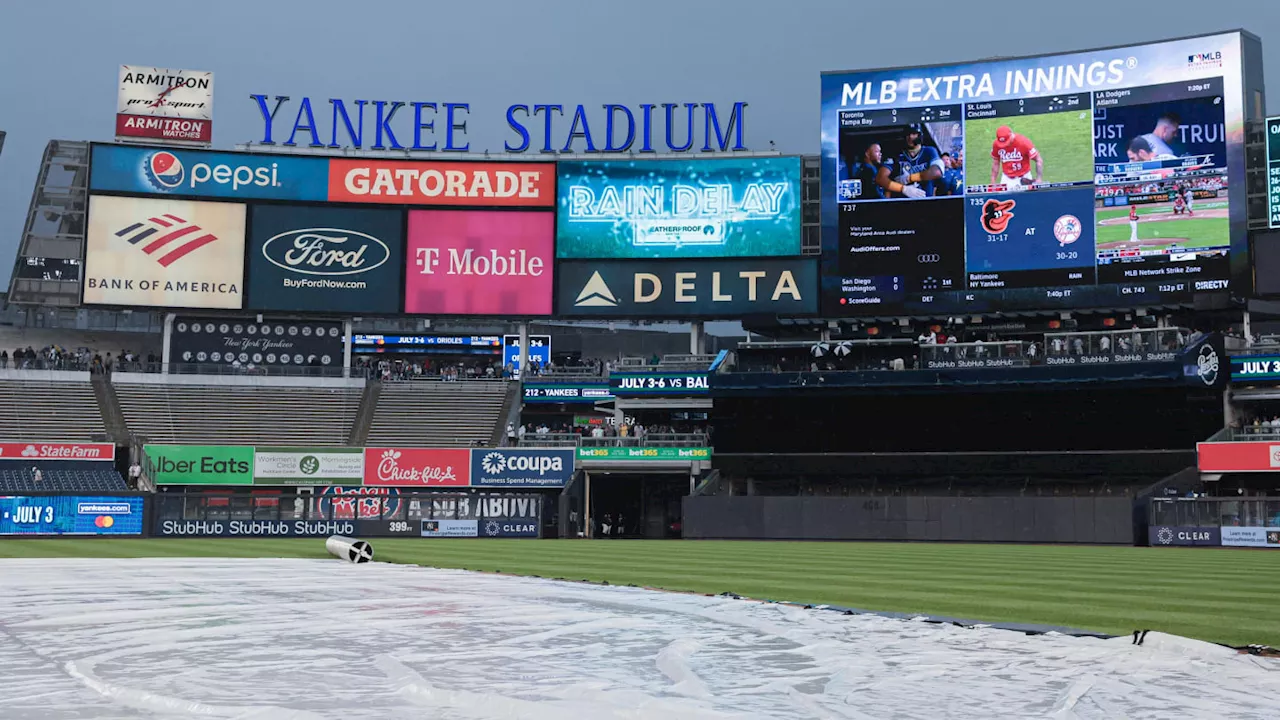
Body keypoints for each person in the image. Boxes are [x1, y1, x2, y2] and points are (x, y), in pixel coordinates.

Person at [879, 125, 942, 198]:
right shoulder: (896, 153)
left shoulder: (929, 151)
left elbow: (936, 172)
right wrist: (902, 188)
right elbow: (880, 178)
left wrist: (909, 178)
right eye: (907, 134)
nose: (910, 137)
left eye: (914, 134)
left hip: (925, 202)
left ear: (919, 135)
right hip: (901, 203)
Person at [990, 125, 1042, 190]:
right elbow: (996, 162)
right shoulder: (996, 145)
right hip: (1006, 179)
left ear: (1011, 135)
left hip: (1025, 178)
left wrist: (1039, 178)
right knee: (1004, 200)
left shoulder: (1023, 142)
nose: (1004, 145)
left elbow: (1038, 159)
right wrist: (993, 180)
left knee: (1028, 199)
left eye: (1006, 142)